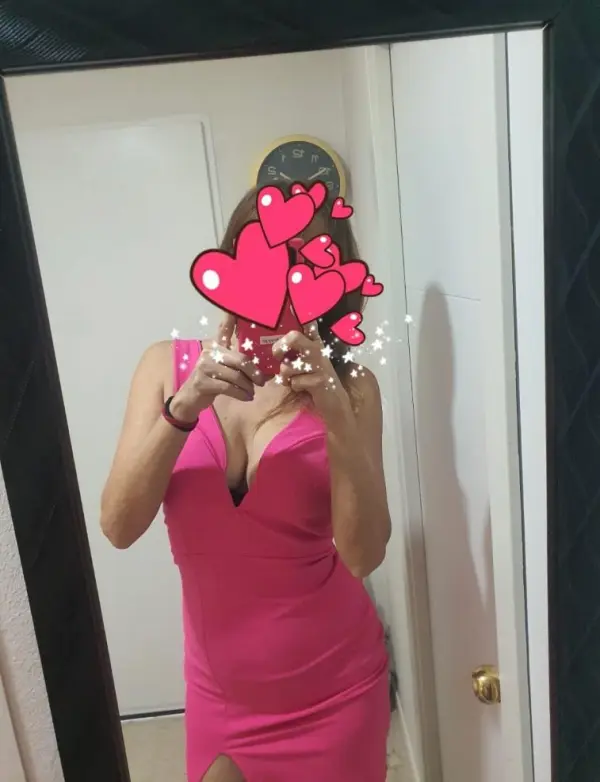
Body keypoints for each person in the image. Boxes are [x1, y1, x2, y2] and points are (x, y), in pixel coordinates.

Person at [100, 184, 392, 781]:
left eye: (306, 266)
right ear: (231, 259)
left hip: (337, 689)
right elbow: (118, 526)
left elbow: (363, 555)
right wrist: (183, 409)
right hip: (220, 697)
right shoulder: (165, 368)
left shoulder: (352, 388)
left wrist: (335, 411)